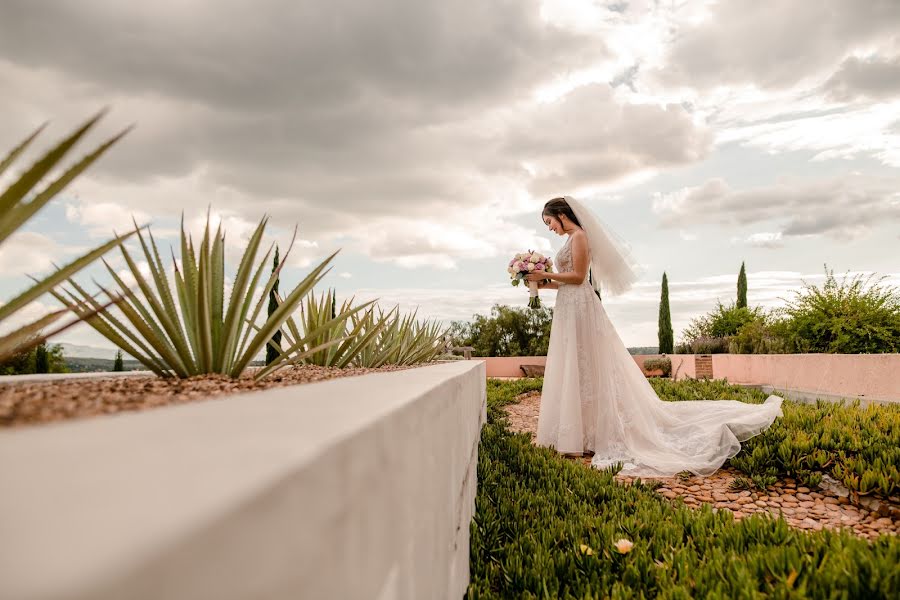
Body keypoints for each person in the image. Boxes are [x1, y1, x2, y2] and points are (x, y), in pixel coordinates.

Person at [524, 196, 782, 476]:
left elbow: (578, 277)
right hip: (568, 307)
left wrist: (546, 273)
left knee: (590, 364)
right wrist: (540, 283)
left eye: (549, 222)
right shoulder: (567, 241)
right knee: (575, 365)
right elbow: (565, 283)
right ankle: (579, 432)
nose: (549, 228)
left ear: (561, 214)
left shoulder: (580, 237)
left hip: (582, 307)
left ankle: (595, 432)